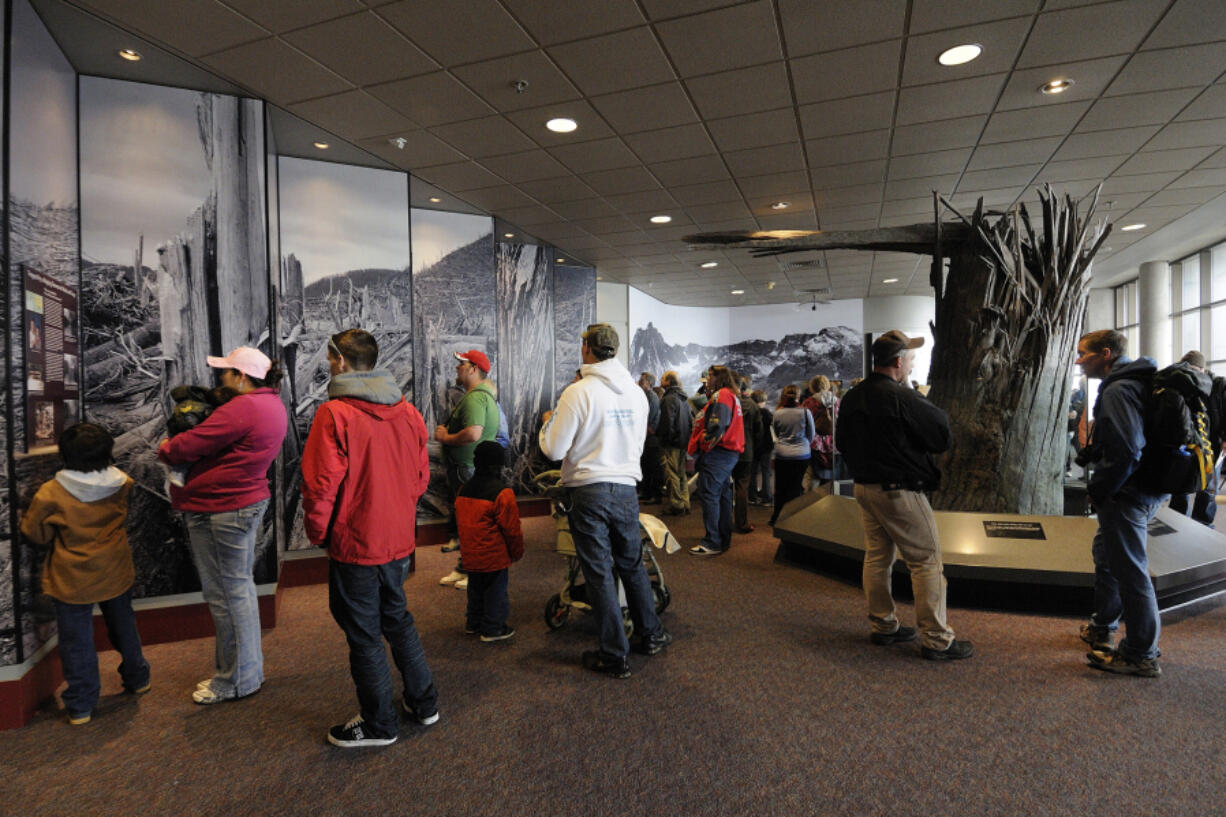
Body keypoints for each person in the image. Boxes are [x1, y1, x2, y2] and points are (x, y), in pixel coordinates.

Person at [301, 329, 438, 747]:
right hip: (396, 542)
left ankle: (379, 725)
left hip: (356, 543)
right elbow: (420, 480)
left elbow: (320, 485)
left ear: (339, 361)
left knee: (363, 633)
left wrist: (320, 533)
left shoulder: (335, 415)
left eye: (329, 359)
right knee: (397, 618)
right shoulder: (408, 412)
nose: (329, 365)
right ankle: (424, 702)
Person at [539, 323, 670, 679]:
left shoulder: (578, 392)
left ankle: (614, 654)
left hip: (589, 490)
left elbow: (553, 450)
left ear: (586, 349)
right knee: (631, 564)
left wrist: (547, 424)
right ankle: (652, 634)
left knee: (598, 571)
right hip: (626, 489)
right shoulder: (636, 392)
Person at [158, 346, 287, 703]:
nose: (220, 379)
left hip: (221, 507)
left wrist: (167, 446)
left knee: (228, 596)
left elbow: (185, 446)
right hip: (237, 503)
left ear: (242, 377)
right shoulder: (270, 404)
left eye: (226, 373)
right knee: (237, 591)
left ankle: (234, 680)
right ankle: (246, 672)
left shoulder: (243, 407)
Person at [836, 330, 972, 661]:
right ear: (898, 362)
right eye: (910, 359)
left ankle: (884, 625)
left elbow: (842, 443)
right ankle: (937, 639)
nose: (913, 364)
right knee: (926, 561)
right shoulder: (902, 397)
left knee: (877, 556)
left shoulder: (854, 396)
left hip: (865, 489)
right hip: (900, 492)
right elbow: (940, 435)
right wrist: (911, 390)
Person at [21, 423, 149, 725]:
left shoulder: (51, 492)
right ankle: (138, 679)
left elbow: (35, 533)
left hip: (72, 576)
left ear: (65, 454)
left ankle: (81, 705)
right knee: (124, 627)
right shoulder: (123, 482)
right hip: (115, 568)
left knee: (76, 641)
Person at [1075, 329, 1165, 677]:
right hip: (1140, 489)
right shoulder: (1137, 382)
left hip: (1126, 494)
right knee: (1108, 557)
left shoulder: (1119, 390)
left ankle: (1141, 652)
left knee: (1130, 571)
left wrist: (1101, 488)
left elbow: (1128, 449)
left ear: (1106, 353)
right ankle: (1103, 626)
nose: (1079, 360)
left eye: (1084, 354)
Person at [436, 348, 500, 591]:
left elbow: (474, 432)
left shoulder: (474, 398)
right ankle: (465, 567)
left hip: (467, 469)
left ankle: (474, 570)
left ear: (473, 369)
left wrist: (446, 437)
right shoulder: (479, 396)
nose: (457, 368)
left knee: (472, 524)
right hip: (468, 469)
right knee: (468, 522)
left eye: (461, 364)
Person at [456, 441, 524, 642]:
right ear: (499, 464)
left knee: (475, 589)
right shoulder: (502, 493)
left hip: (470, 553)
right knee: (495, 592)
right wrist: (517, 552)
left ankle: (473, 623)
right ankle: (493, 628)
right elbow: (511, 529)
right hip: (494, 556)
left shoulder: (463, 490)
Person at [686, 365, 745, 557]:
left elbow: (717, 425)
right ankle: (722, 538)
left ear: (718, 378)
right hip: (727, 454)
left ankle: (712, 541)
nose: (707, 381)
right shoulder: (731, 395)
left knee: (710, 494)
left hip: (719, 453)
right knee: (722, 494)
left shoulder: (723, 396)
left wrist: (704, 441)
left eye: (710, 377)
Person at [1168, 350, 1220, 527]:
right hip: (1188, 445)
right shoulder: (1182, 384)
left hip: (1212, 446)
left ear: (1203, 370)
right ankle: (1178, 521)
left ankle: (1203, 524)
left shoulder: (1219, 385)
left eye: (1194, 369)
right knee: (1180, 485)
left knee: (1208, 489)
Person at [770, 385, 814, 525]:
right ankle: (793, 519)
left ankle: (777, 517)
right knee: (795, 487)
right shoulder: (805, 413)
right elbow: (811, 435)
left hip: (782, 454)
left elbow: (775, 434)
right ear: (798, 396)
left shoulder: (778, 413)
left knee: (781, 487)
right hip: (801, 454)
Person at [656, 370, 692, 516]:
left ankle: (676, 505)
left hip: (671, 443)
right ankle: (685, 502)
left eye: (663, 378)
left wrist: (664, 440)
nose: (660, 380)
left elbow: (667, 423)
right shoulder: (683, 399)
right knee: (681, 474)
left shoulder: (669, 399)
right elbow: (690, 421)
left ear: (668, 382)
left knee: (672, 475)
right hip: (683, 442)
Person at [732, 375, 761, 534]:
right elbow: (759, 432)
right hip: (746, 450)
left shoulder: (731, 403)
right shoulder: (753, 406)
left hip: (729, 450)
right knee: (742, 486)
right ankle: (741, 523)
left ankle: (723, 521)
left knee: (726, 487)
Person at [638, 372, 664, 504]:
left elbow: (650, 419)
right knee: (646, 467)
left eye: (642, 380)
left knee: (652, 468)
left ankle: (655, 495)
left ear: (649, 383)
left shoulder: (652, 397)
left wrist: (645, 432)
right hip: (645, 438)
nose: (639, 382)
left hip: (651, 439)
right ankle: (647, 493)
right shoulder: (644, 396)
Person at [749, 389, 774, 506]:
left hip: (753, 445)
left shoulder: (750, 412)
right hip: (766, 446)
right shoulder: (767, 413)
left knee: (753, 472)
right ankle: (767, 498)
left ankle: (752, 497)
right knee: (766, 472)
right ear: (762, 400)